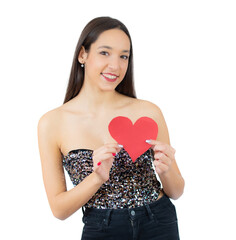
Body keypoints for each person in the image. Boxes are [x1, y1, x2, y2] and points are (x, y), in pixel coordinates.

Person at [37, 16, 185, 240]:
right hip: (102, 228)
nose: (115, 66)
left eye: (124, 56)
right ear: (82, 55)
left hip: (159, 222)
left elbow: (176, 190)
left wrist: (166, 169)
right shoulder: (52, 122)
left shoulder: (148, 112)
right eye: (104, 53)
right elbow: (59, 209)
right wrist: (96, 177)